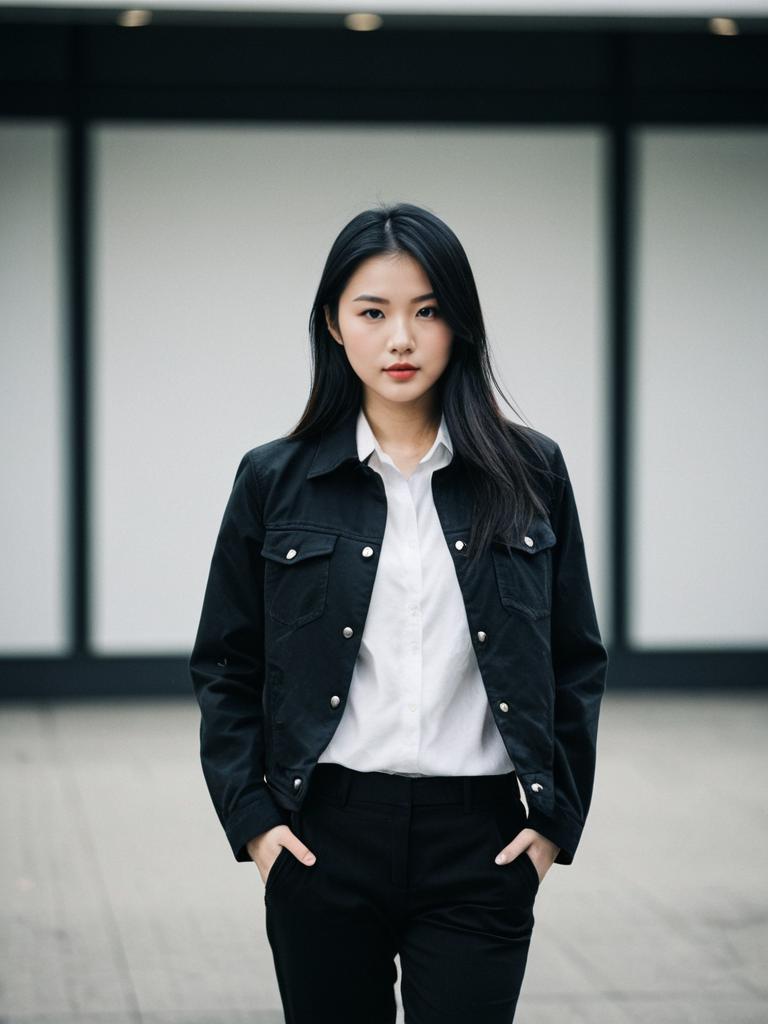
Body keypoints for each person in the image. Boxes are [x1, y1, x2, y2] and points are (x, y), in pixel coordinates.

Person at [189, 201, 609, 1024]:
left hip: (480, 843)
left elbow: (574, 657)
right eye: (373, 313)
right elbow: (225, 665)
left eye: (427, 311)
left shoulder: (531, 472)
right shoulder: (273, 480)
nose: (402, 339)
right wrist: (257, 828)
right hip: (323, 837)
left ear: (461, 324)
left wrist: (555, 822)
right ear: (335, 326)